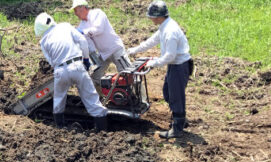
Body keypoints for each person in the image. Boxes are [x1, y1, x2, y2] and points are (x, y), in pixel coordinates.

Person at [127, 1, 193, 138]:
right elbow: (152, 41)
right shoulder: (164, 26)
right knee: (167, 93)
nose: (150, 19)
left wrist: (153, 63)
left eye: (151, 17)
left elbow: (170, 56)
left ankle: (178, 128)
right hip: (175, 65)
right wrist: (133, 50)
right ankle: (180, 118)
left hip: (179, 66)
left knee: (176, 96)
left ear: (157, 17)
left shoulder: (170, 31)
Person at [34, 12, 108, 130]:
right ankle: (102, 129)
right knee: (91, 97)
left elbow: (51, 61)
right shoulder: (65, 26)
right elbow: (83, 42)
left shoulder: (43, 41)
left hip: (60, 70)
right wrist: (85, 59)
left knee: (58, 99)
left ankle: (60, 128)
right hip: (77, 66)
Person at [70, 0, 133, 89]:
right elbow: (86, 42)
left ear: (83, 8)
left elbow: (99, 29)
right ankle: (103, 98)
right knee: (95, 77)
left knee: (128, 75)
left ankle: (141, 100)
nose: (75, 14)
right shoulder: (82, 25)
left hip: (115, 49)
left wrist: (83, 32)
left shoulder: (98, 14)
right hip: (103, 54)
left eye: (76, 10)